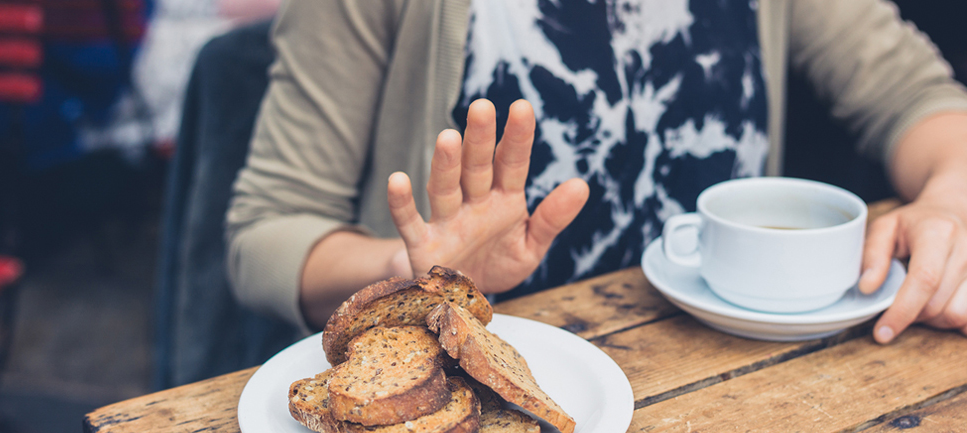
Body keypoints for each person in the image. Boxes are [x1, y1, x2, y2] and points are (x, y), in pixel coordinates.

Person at [225, 0, 967, 345]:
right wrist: (404, 267)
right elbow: (265, 233)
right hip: (481, 401)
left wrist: (950, 194)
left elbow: (917, 97)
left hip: (735, 383)